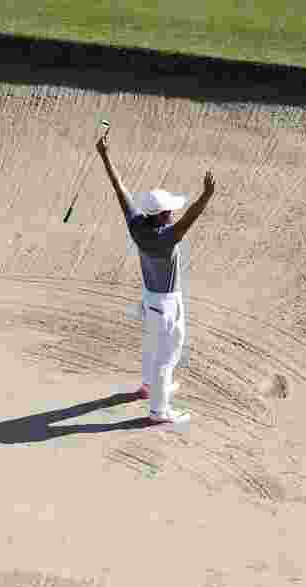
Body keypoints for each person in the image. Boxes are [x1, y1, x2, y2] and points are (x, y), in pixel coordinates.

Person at [96, 132, 215, 424]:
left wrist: (105, 155)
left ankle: (149, 387)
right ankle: (158, 411)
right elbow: (191, 217)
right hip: (167, 304)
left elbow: (119, 189)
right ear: (161, 216)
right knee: (168, 356)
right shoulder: (166, 237)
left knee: (152, 345)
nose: (173, 214)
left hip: (150, 301)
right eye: (169, 211)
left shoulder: (137, 225)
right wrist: (206, 196)